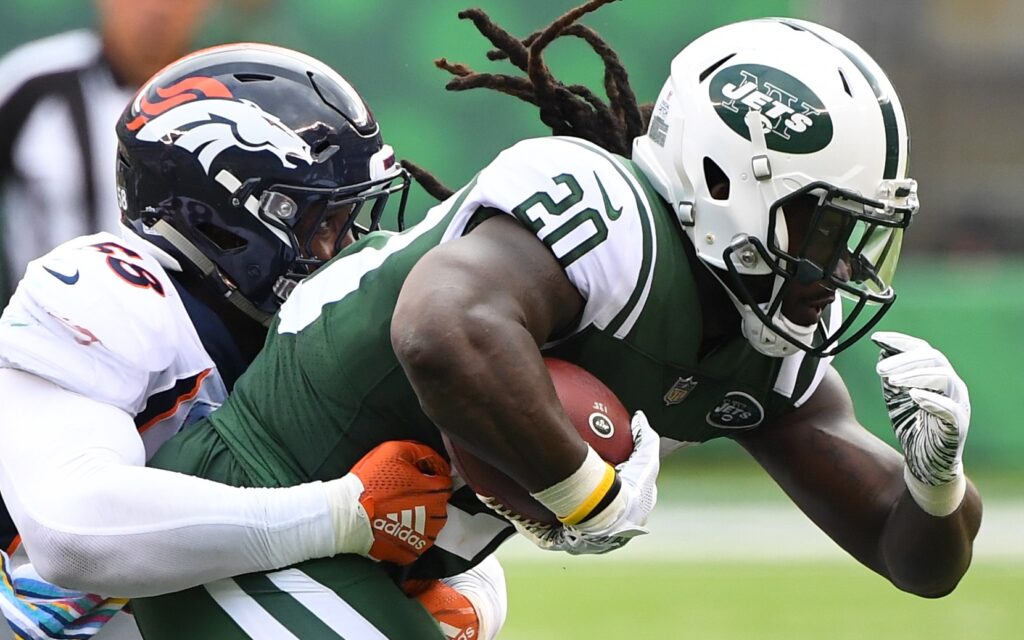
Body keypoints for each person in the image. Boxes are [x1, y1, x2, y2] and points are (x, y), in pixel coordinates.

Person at [133, 1, 981, 638]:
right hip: (256, 503)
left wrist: (937, 484)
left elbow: (910, 558)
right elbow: (442, 330)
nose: (839, 269)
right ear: (730, 180)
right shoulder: (608, 214)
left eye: (859, 236)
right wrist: (587, 493)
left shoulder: (764, 333)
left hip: (381, 561)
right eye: (826, 228)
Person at [0, 43, 459, 640]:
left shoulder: (302, 331)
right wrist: (337, 515)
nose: (347, 250)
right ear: (222, 220)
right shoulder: (110, 290)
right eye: (323, 223)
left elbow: (436, 506)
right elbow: (71, 536)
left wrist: (471, 598)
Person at [0, 0, 215, 306]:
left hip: (188, 347)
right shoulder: (33, 86)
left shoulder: (230, 104)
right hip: (46, 335)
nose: (158, 8)